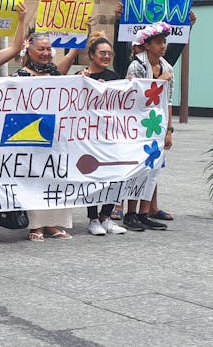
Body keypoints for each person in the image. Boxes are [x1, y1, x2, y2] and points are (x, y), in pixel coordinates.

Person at [13, 33, 74, 242]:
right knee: (34, 178)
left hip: (56, 135)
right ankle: (36, 225)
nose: (46, 53)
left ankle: (53, 223)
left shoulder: (57, 75)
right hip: (30, 137)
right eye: (41, 49)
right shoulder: (20, 76)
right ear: (29, 50)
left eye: (48, 49)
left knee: (56, 177)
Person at [123, 22, 174, 232]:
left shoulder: (168, 67)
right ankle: (130, 212)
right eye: (158, 42)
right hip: (138, 123)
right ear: (147, 45)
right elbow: (136, 96)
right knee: (138, 167)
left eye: (164, 42)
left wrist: (169, 130)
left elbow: (169, 100)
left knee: (153, 167)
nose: (163, 46)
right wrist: (159, 80)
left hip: (157, 123)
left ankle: (145, 212)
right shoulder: (137, 65)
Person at [79, 32, 127, 236]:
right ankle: (92, 218)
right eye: (102, 53)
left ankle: (106, 216)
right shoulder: (82, 78)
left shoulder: (115, 78)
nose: (107, 57)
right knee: (93, 176)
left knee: (115, 174)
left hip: (111, 135)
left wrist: (130, 87)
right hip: (90, 137)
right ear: (91, 55)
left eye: (110, 54)